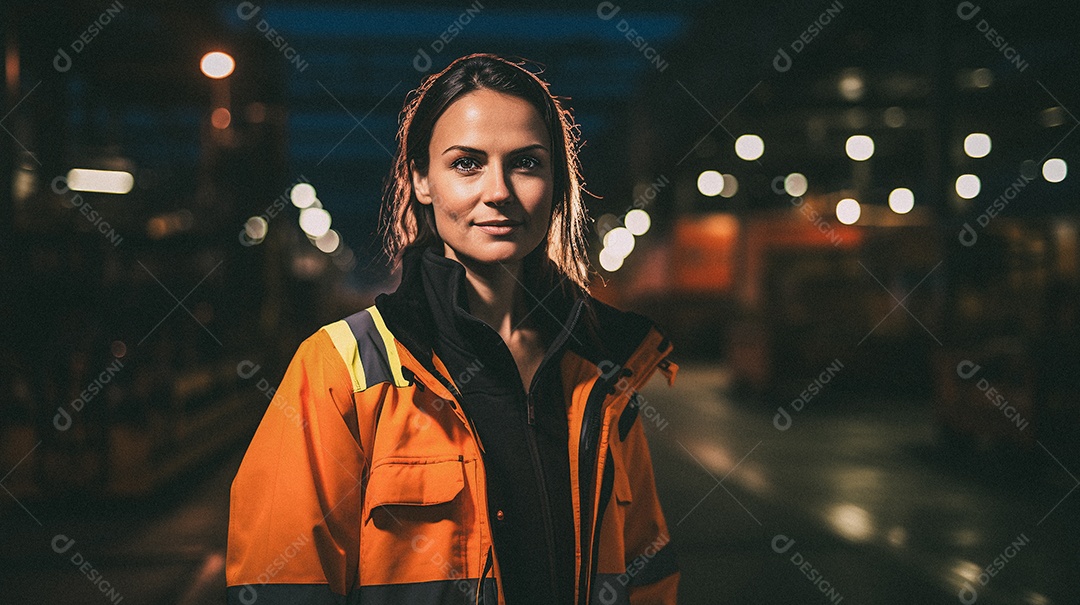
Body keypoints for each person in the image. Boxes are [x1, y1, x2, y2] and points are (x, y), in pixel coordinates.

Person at [226, 53, 680, 605]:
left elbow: (648, 579)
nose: (499, 191)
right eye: (467, 163)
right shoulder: (339, 371)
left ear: (557, 181)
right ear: (421, 179)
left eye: (527, 164)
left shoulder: (603, 373)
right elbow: (280, 589)